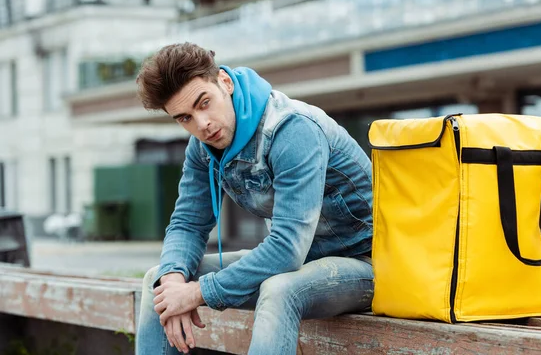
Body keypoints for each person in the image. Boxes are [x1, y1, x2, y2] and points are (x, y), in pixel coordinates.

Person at [135, 42, 374, 354]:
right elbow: (188, 224)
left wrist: (197, 293)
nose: (202, 124)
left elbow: (287, 249)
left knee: (279, 288)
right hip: (300, 265)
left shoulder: (293, 129)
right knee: (160, 280)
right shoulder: (202, 149)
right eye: (185, 118)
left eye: (204, 103)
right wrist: (174, 282)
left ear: (225, 82)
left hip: (364, 264)